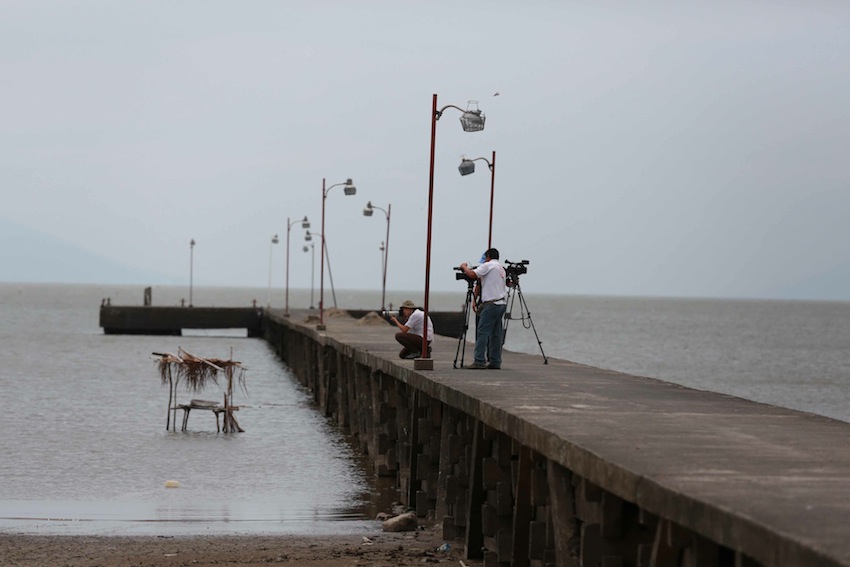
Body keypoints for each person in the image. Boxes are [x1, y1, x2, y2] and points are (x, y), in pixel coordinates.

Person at [460, 248, 506, 369]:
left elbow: (471, 274)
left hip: (490, 304)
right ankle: (495, 361)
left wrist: (464, 267)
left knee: (482, 332)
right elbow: (481, 283)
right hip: (501, 304)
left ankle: (479, 360)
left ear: (488, 257)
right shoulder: (500, 268)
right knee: (496, 334)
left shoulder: (488, 265)